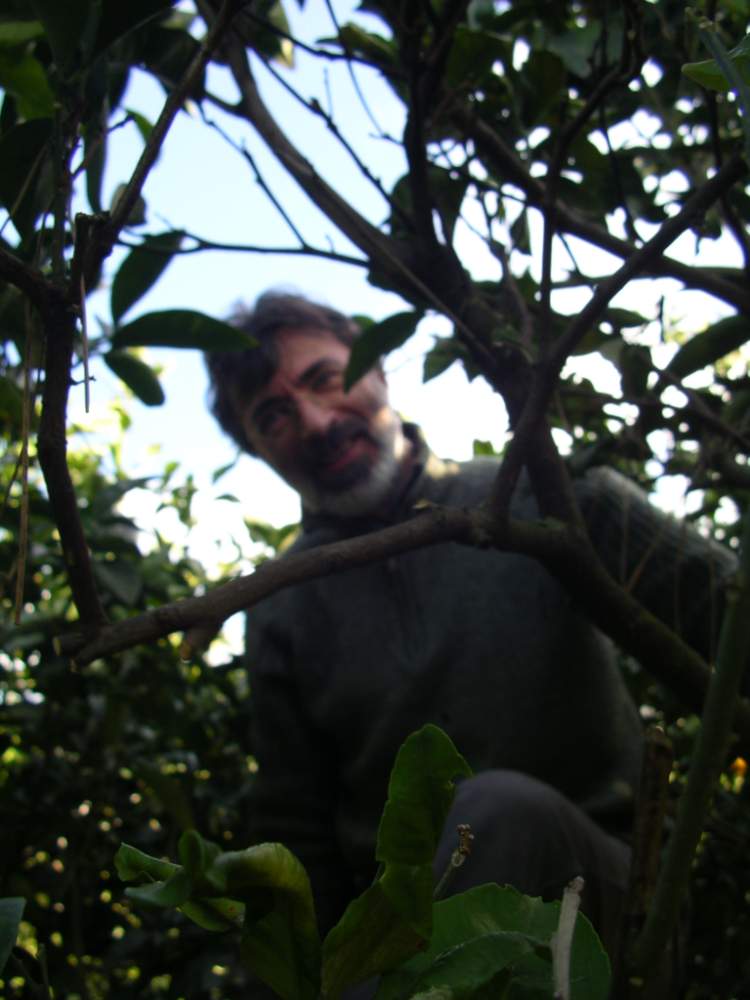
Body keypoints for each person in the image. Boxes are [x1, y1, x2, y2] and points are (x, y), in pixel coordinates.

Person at [204, 291, 735, 956]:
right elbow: (296, 833)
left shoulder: (544, 498)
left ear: (379, 367)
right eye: (273, 417)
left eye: (325, 379)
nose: (314, 422)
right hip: (404, 948)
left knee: (499, 815)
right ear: (256, 450)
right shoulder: (282, 607)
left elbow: (724, 609)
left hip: (606, 905)